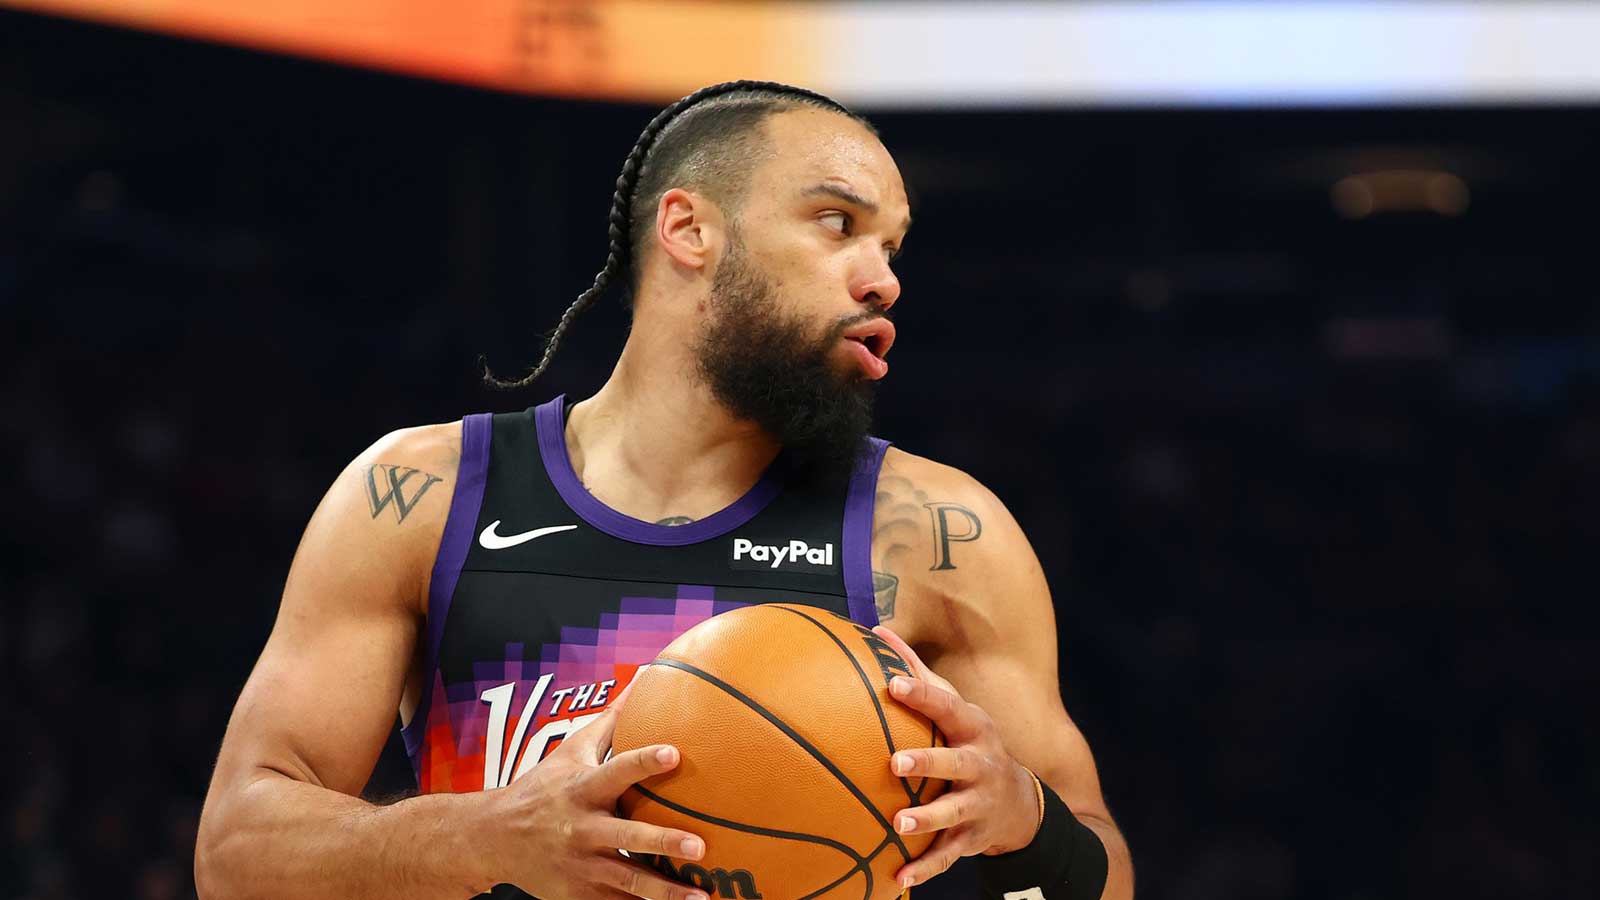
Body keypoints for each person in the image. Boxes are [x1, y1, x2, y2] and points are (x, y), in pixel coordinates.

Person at [194, 80, 1133, 900]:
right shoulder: (424, 495)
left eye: (892, 247)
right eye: (837, 223)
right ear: (688, 228)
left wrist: (1023, 818)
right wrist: (487, 836)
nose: (882, 278)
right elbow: (235, 853)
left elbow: (1101, 866)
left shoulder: (938, 533)